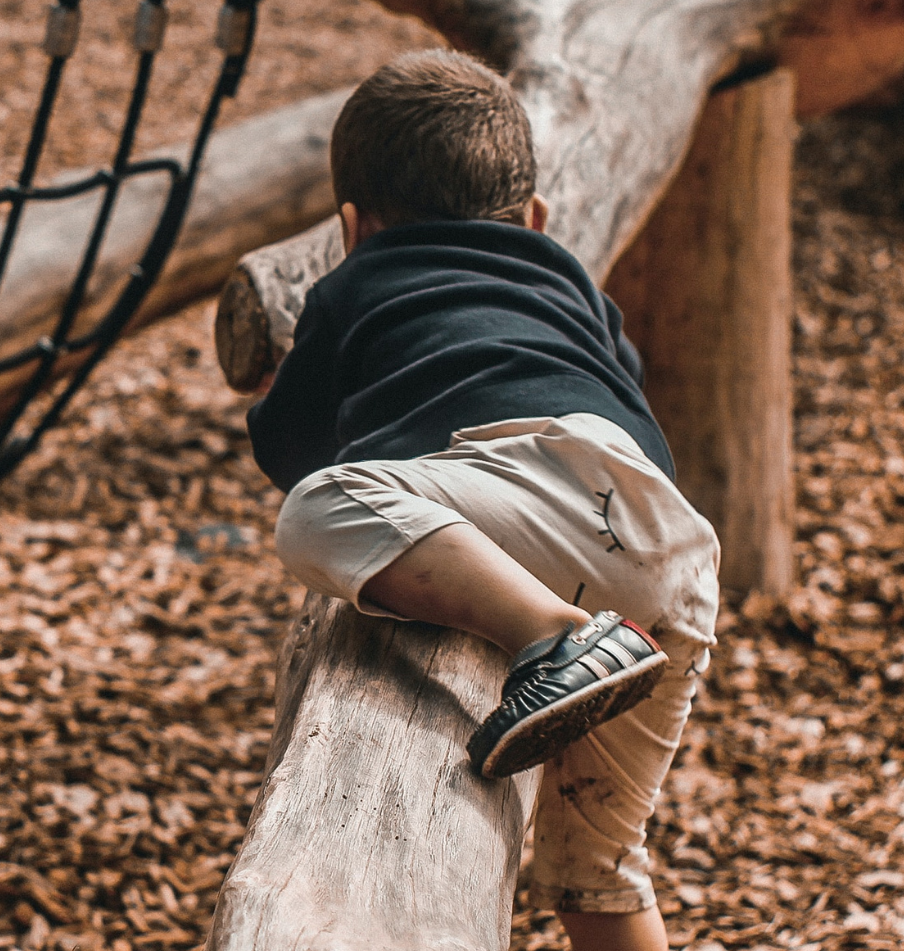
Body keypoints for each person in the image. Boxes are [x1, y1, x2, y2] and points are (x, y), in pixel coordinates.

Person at [246, 49, 721, 951]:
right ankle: (590, 643)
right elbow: (618, 382)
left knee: (314, 507)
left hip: (546, 510)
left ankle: (554, 636)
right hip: (669, 546)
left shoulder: (354, 283)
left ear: (351, 227)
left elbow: (288, 448)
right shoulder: (572, 285)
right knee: (599, 866)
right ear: (535, 217)